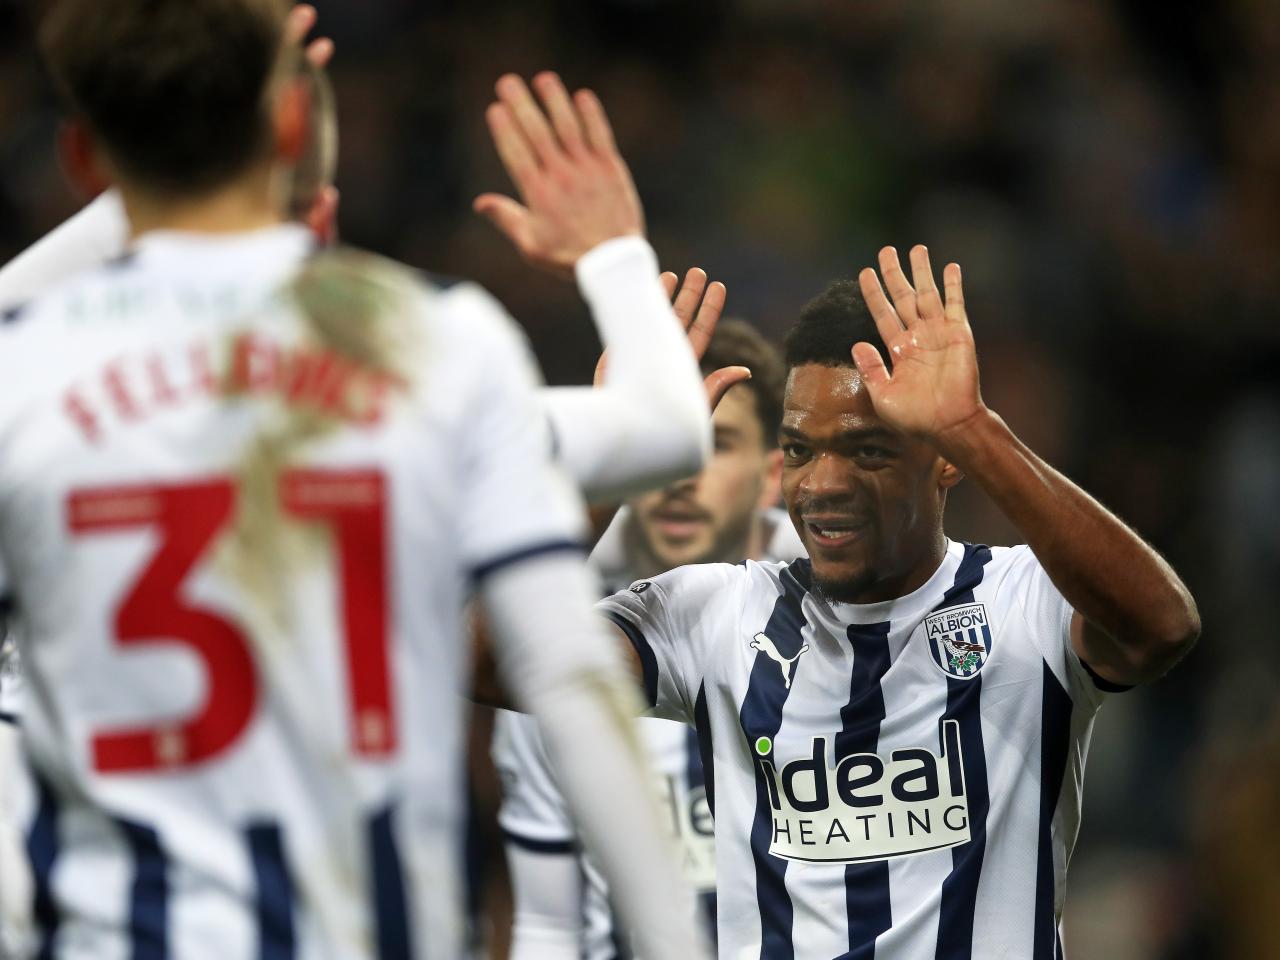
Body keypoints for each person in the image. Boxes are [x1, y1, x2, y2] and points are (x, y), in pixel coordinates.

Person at [0, 1, 715, 957]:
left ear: (85, 161)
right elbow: (573, 667)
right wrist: (614, 252)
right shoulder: (434, 346)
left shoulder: (24, 376)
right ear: (294, 127)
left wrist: (151, 137)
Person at [595, 247, 1200, 957]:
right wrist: (597, 464)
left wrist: (974, 428)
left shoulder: (1021, 602)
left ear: (945, 459)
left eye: (868, 452)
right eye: (798, 450)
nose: (821, 484)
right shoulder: (714, 615)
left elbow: (1162, 628)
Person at [492, 319, 802, 958]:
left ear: (772, 473)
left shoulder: (844, 618)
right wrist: (598, 465)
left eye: (712, 443)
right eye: (664, 442)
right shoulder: (559, 634)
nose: (680, 473)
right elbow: (549, 919)